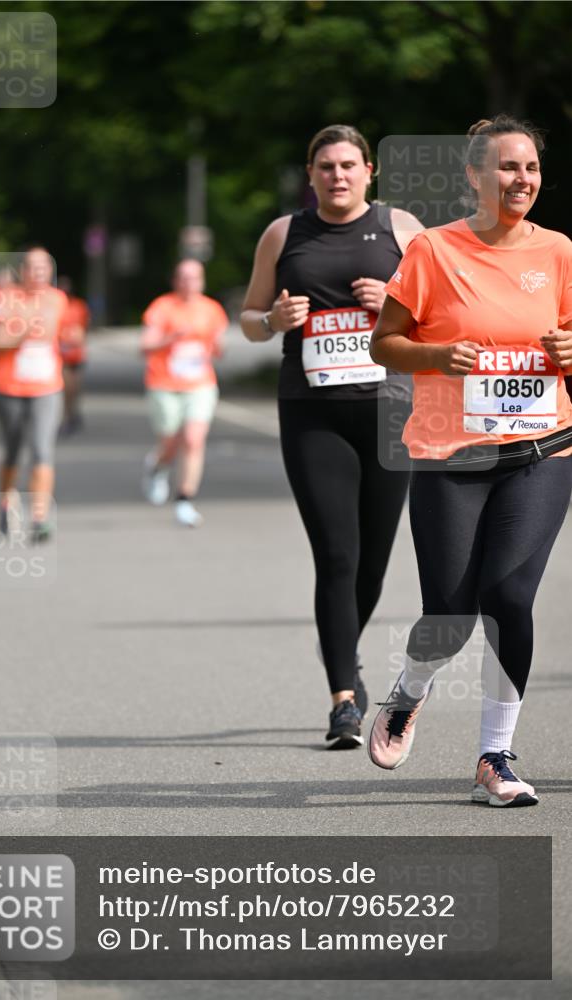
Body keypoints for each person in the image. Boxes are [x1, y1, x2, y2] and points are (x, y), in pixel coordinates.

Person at [368, 115, 572, 806]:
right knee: (449, 614)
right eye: (508, 168)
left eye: (531, 169)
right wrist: (433, 355)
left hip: (540, 448)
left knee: (509, 598)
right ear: (474, 176)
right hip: (448, 453)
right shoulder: (431, 250)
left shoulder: (558, 251)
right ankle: (408, 690)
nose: (522, 181)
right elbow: (382, 343)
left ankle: (495, 756)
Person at [240, 124, 422, 748]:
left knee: (372, 560)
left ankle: (342, 649)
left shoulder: (402, 229)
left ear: (369, 171)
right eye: (325, 166)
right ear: (310, 173)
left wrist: (392, 304)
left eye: (348, 165)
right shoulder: (283, 233)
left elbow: (442, 315)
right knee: (336, 555)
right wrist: (272, 319)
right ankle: (343, 700)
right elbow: (248, 319)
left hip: (391, 413)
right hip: (313, 413)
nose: (337, 175)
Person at [140, 258, 228, 528]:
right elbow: (144, 346)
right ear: (176, 281)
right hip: (164, 384)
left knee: (193, 439)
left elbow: (220, 349)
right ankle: (158, 467)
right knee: (170, 442)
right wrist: (170, 338)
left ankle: (184, 500)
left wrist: (214, 347)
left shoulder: (212, 309)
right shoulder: (162, 307)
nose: (190, 283)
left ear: (202, 281)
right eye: (184, 278)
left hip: (200, 385)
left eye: (195, 278)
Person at [0, 247, 67, 543]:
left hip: (47, 387)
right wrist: (23, 333)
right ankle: (5, 504)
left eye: (44, 267)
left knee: (42, 450)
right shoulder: (5, 298)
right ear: (23, 271)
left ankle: (40, 517)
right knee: (12, 451)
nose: (39, 273)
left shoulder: (58, 300)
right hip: (8, 388)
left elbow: (59, 335)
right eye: (33, 267)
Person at [57, 276, 90, 436]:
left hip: (76, 354)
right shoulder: (54, 307)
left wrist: (76, 339)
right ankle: (65, 418)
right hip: (61, 355)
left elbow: (82, 329)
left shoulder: (79, 306)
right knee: (66, 388)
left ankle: (73, 412)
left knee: (74, 388)